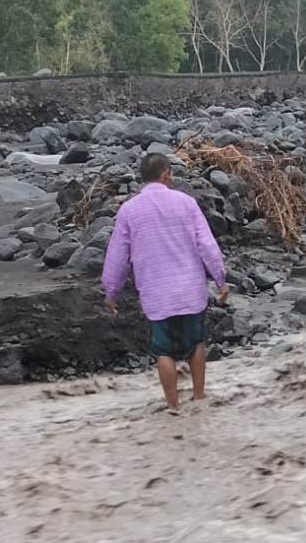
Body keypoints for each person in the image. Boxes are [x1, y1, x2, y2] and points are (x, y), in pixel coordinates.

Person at [102, 153, 228, 414]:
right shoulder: (186, 203)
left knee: (163, 351)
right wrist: (220, 279)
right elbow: (206, 245)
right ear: (166, 174)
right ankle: (199, 398)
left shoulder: (129, 210)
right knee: (196, 343)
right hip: (190, 288)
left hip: (156, 293)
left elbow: (118, 256)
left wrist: (111, 292)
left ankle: (172, 406)